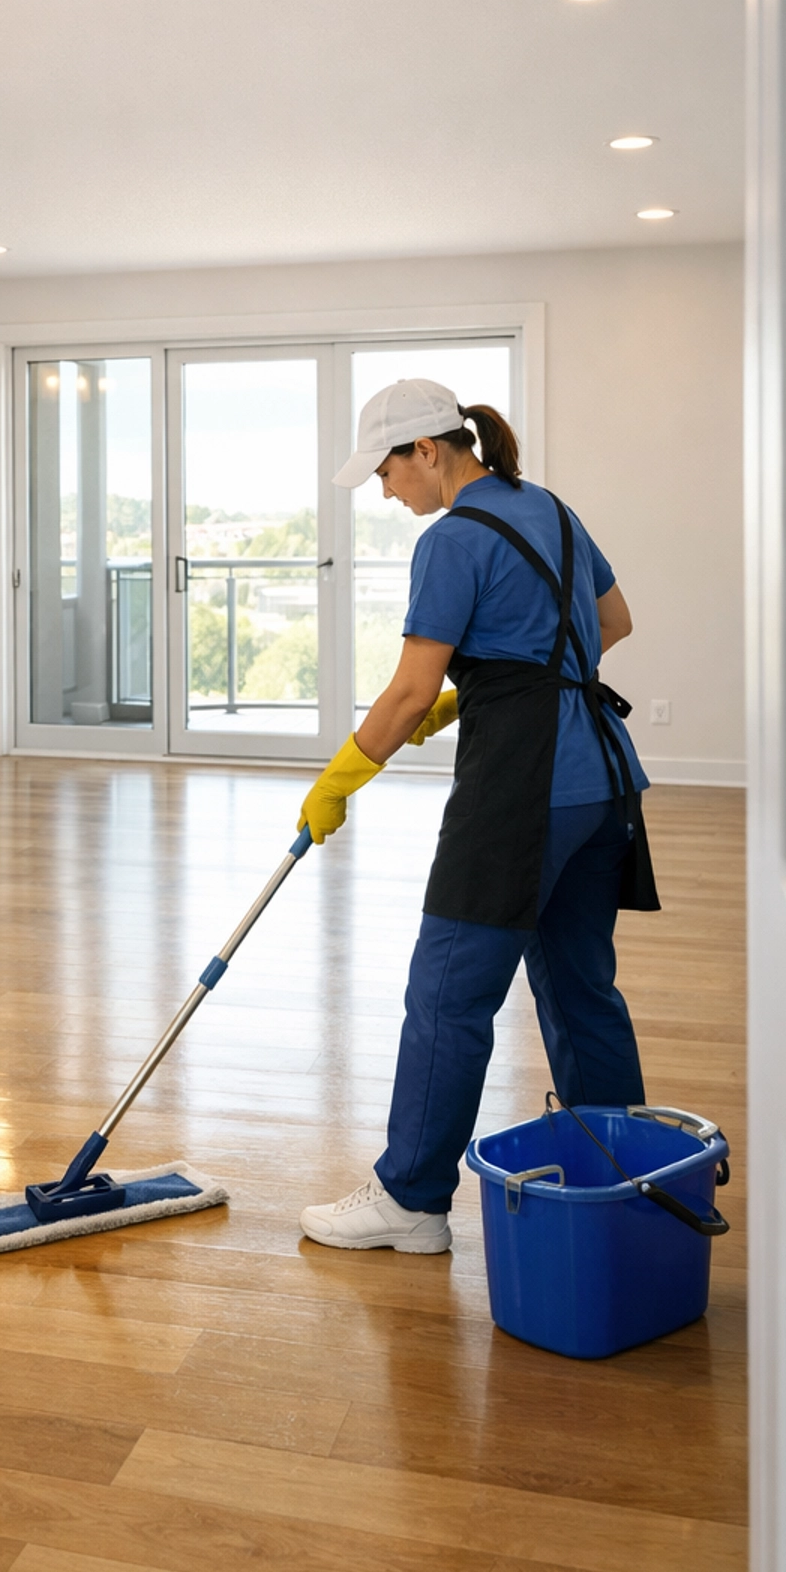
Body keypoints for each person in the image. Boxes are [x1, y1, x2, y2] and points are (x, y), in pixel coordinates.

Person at [298, 378, 656, 1253]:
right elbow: (612, 623)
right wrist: (495, 685)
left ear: (428, 450)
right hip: (604, 783)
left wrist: (339, 780)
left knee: (449, 996)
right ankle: (616, 1181)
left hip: (521, 794)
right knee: (579, 989)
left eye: (386, 472)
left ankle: (411, 1201)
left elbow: (411, 688)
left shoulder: (453, 539)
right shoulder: (552, 508)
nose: (387, 494)